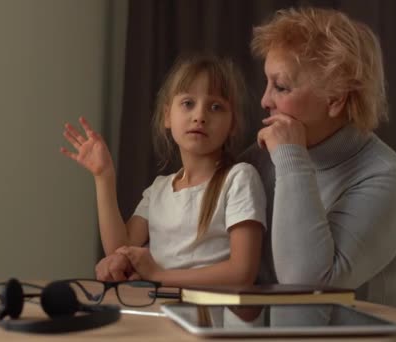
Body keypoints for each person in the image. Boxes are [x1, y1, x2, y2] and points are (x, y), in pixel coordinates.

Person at [241, 7, 396, 308]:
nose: (265, 101)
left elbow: (306, 287)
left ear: (335, 98)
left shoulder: (391, 179)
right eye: (267, 84)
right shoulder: (262, 157)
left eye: (280, 87)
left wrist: (292, 158)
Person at [61, 55, 266, 287]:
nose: (200, 116)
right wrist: (103, 176)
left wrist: (159, 276)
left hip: (213, 320)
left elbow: (242, 273)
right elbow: (119, 248)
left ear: (233, 124)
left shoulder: (239, 178)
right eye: (188, 103)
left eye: (215, 107)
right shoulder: (159, 189)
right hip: (162, 313)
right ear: (168, 116)